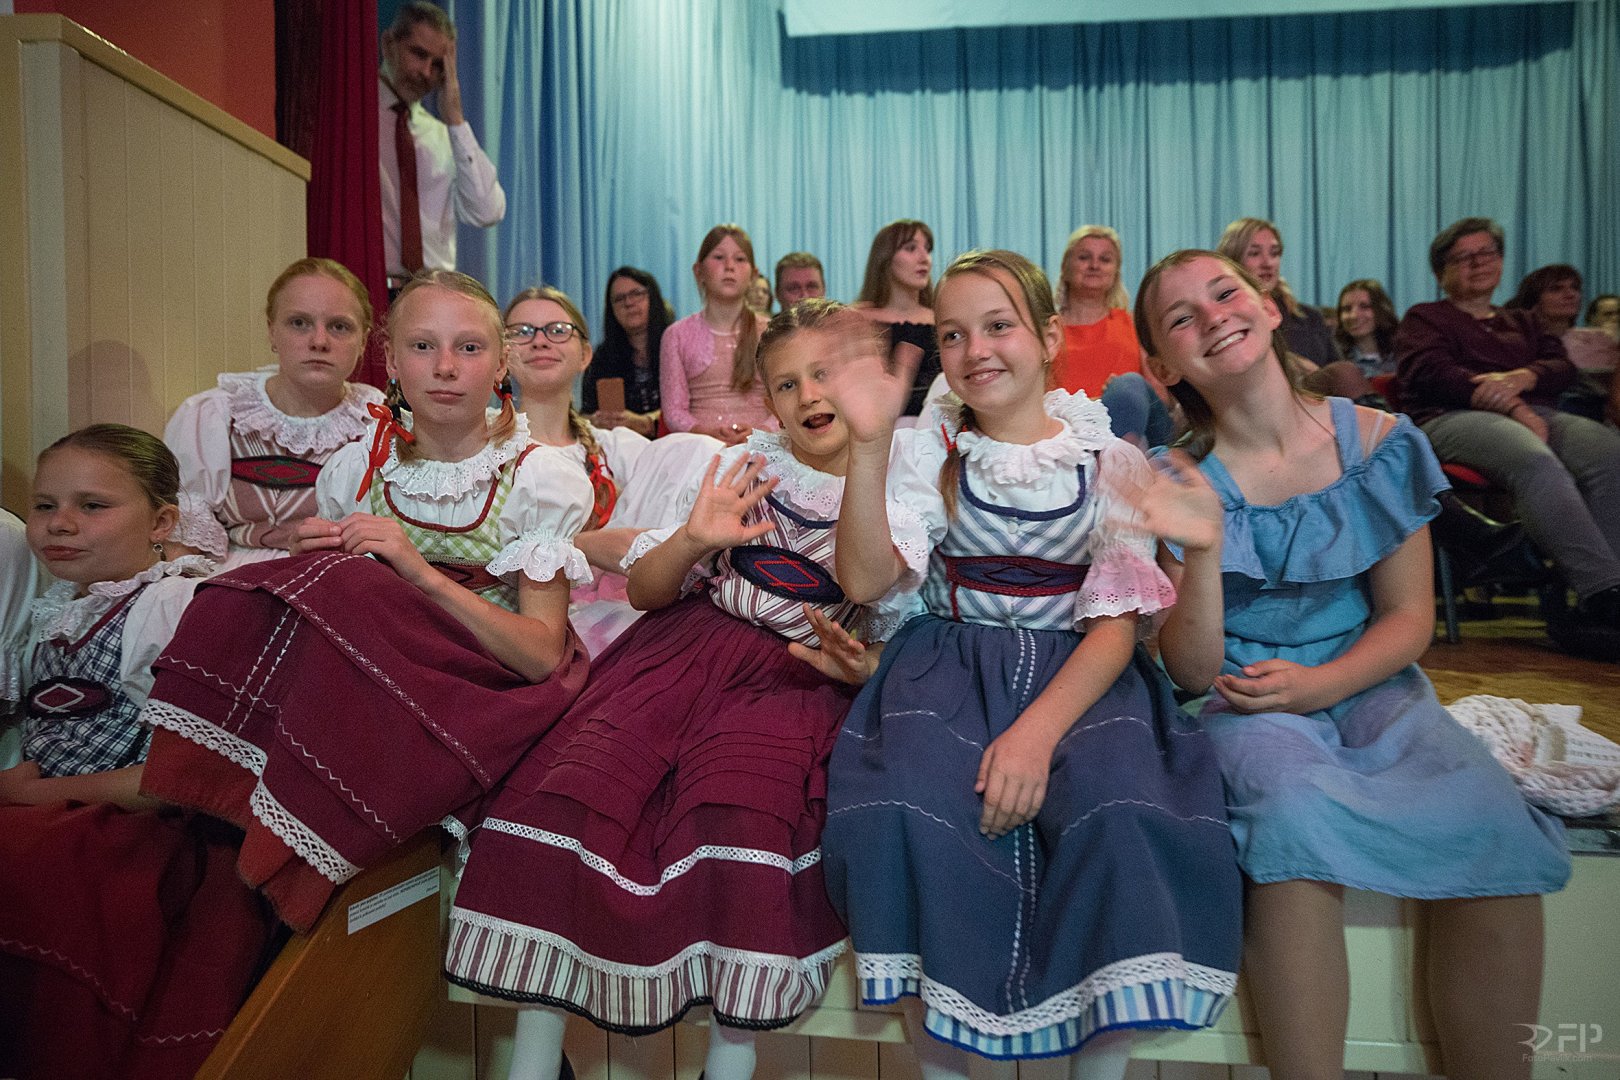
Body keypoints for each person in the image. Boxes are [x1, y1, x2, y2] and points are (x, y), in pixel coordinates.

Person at [446, 300, 919, 1080]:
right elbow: (646, 591)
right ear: (768, 400)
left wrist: (869, 452)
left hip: (792, 679)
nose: (808, 395)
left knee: (742, 818)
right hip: (679, 653)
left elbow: (867, 582)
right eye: (788, 383)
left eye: (825, 375)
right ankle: (534, 1064)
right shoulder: (745, 468)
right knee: (574, 790)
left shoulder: (898, 485)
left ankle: (726, 1066)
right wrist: (695, 538)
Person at [1132, 248, 1570, 1080]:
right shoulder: (1176, 479)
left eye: (1225, 293)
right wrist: (1204, 549)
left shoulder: (1380, 442)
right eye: (1181, 318)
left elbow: (1408, 618)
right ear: (1164, 365)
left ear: (1268, 307)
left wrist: (1324, 684)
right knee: (1291, 815)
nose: (1213, 316)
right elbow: (1191, 669)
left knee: (1489, 811)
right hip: (1242, 699)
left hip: (1369, 681)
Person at [819, 250, 1242, 1080]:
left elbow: (1117, 628)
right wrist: (869, 449)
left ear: (1049, 337)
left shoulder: (1109, 459)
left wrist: (1034, 736)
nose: (976, 350)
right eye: (952, 334)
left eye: (998, 326)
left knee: (1119, 812)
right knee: (910, 806)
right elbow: (865, 583)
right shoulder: (927, 450)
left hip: (1084, 671)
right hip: (947, 669)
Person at [137, 271, 594, 933]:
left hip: (486, 688)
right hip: (385, 677)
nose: (445, 367)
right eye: (422, 346)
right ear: (392, 361)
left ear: (502, 363)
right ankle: (245, 856)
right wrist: (314, 563)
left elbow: (541, 657)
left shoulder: (539, 476)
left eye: (469, 348)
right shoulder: (357, 469)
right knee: (234, 598)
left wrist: (419, 573)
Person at [0, 426, 272, 1080]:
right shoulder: (50, 613)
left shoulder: (170, 606)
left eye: (93, 506)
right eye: (45, 505)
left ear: (161, 523)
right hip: (66, 817)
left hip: (150, 831)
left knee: (25, 869)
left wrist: (34, 793)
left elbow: (187, 775)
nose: (60, 523)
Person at [1393, 218, 1620, 651]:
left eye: (1487, 253)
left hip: (1536, 411)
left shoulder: (1524, 320)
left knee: (1609, 454)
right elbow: (1432, 373)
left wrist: (1523, 377)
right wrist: (1512, 404)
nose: (1479, 263)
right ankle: (1603, 593)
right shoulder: (1426, 317)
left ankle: (1602, 595)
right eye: (1464, 257)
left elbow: (1561, 366)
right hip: (1450, 416)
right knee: (1534, 459)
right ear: (1441, 271)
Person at [165, 257, 384, 568]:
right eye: (299, 323)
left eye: (339, 326)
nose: (319, 341)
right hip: (229, 574)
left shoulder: (378, 422)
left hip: (336, 576)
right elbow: (184, 545)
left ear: (362, 340)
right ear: (271, 332)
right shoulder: (214, 416)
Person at [379, 1, 505, 284]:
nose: (426, 72)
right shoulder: (353, 123)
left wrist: (455, 120)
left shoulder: (444, 137)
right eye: (418, 54)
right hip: (367, 285)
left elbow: (487, 211)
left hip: (429, 292)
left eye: (437, 65)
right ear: (388, 44)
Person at [1052, 224, 1175, 446]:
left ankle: (1117, 459)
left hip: (1138, 433)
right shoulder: (1046, 332)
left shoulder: (1135, 323)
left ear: (1115, 272)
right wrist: (1094, 406)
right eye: (1084, 257)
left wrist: (1120, 397)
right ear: (1065, 267)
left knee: (1129, 384)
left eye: (1105, 259)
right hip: (1067, 433)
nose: (1094, 265)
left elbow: (1162, 399)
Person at [661, 224, 777, 444]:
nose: (729, 266)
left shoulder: (771, 333)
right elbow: (674, 411)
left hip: (764, 447)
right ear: (699, 271)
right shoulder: (676, 335)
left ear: (753, 275)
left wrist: (761, 431)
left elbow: (786, 400)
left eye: (740, 259)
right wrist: (704, 433)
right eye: (719, 257)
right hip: (699, 449)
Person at [1504, 265, 1619, 424]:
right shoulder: (1518, 341)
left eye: (1575, 288)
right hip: (1543, 414)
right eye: (1556, 289)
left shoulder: (1600, 339)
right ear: (1534, 299)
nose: (1570, 294)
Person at [1216, 218, 1335, 366]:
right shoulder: (1220, 321)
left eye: (1274, 253)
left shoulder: (1311, 318)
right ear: (1232, 261)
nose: (1268, 263)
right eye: (1254, 253)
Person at [855, 219, 940, 416]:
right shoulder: (859, 320)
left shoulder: (943, 319)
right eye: (911, 248)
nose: (924, 258)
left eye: (927, 249)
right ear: (885, 257)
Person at [583, 266, 672, 436]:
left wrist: (645, 423)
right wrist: (596, 421)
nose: (629, 303)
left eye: (636, 294)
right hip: (622, 447)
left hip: (679, 443)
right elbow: (584, 414)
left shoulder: (678, 343)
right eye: (619, 299)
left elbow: (696, 405)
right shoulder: (602, 358)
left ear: (653, 298)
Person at [1332, 278, 1400, 378]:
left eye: (1364, 306)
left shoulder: (1403, 354)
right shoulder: (1334, 359)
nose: (1354, 316)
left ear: (1382, 310)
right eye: (1347, 309)